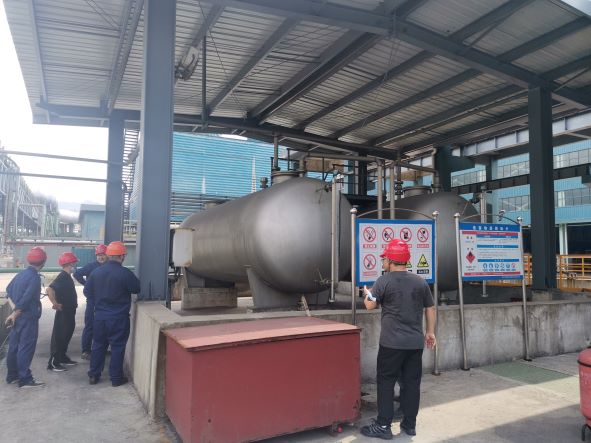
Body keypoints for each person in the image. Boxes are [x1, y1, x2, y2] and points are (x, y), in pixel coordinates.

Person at [361, 239, 436, 440]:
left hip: (391, 344)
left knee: (386, 382)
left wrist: (367, 294)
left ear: (390, 260)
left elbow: (369, 305)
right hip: (415, 344)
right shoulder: (420, 282)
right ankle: (409, 425)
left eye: (384, 258)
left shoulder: (383, 281)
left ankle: (383, 425)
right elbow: (430, 307)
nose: (383, 261)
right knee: (411, 383)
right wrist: (430, 332)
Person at [85, 241, 140, 387]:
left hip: (100, 317)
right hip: (118, 318)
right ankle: (116, 378)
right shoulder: (125, 273)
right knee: (117, 347)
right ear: (122, 256)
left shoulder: (96, 272)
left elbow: (87, 292)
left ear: (108, 255)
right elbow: (136, 288)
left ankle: (94, 375)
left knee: (98, 346)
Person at [5, 247, 47, 388]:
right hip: (27, 318)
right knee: (26, 348)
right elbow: (26, 299)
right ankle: (25, 379)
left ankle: (12, 376)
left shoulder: (21, 274)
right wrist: (16, 313)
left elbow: (8, 291)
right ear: (43, 262)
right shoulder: (34, 278)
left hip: (17, 317)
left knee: (14, 347)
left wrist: (14, 312)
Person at [47, 252, 79, 372]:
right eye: (74, 262)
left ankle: (62, 357)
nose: (75, 264)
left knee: (67, 334)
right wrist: (55, 303)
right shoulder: (62, 276)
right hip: (64, 312)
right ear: (70, 263)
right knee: (60, 336)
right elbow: (49, 289)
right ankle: (53, 363)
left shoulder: (67, 276)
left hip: (70, 311)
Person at [74, 244, 107, 360]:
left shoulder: (109, 266)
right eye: (98, 255)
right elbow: (77, 274)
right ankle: (86, 350)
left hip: (105, 301)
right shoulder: (91, 266)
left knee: (103, 325)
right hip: (93, 300)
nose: (101, 257)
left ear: (107, 255)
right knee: (90, 325)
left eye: (103, 255)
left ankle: (101, 348)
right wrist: (86, 284)